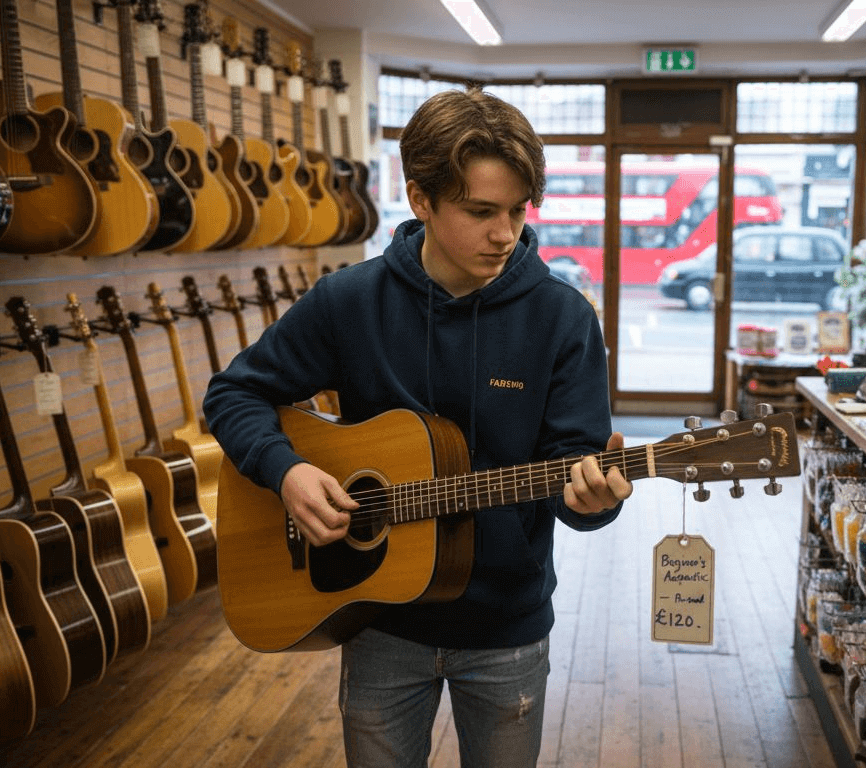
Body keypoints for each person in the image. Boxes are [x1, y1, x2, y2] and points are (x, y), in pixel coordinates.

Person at [203, 86, 634, 767]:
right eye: (482, 211)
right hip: (376, 619)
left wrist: (592, 503)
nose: (506, 233)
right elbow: (234, 395)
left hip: (507, 629)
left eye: (519, 210)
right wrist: (286, 472)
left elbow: (573, 475)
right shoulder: (350, 301)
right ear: (421, 199)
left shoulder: (563, 318)